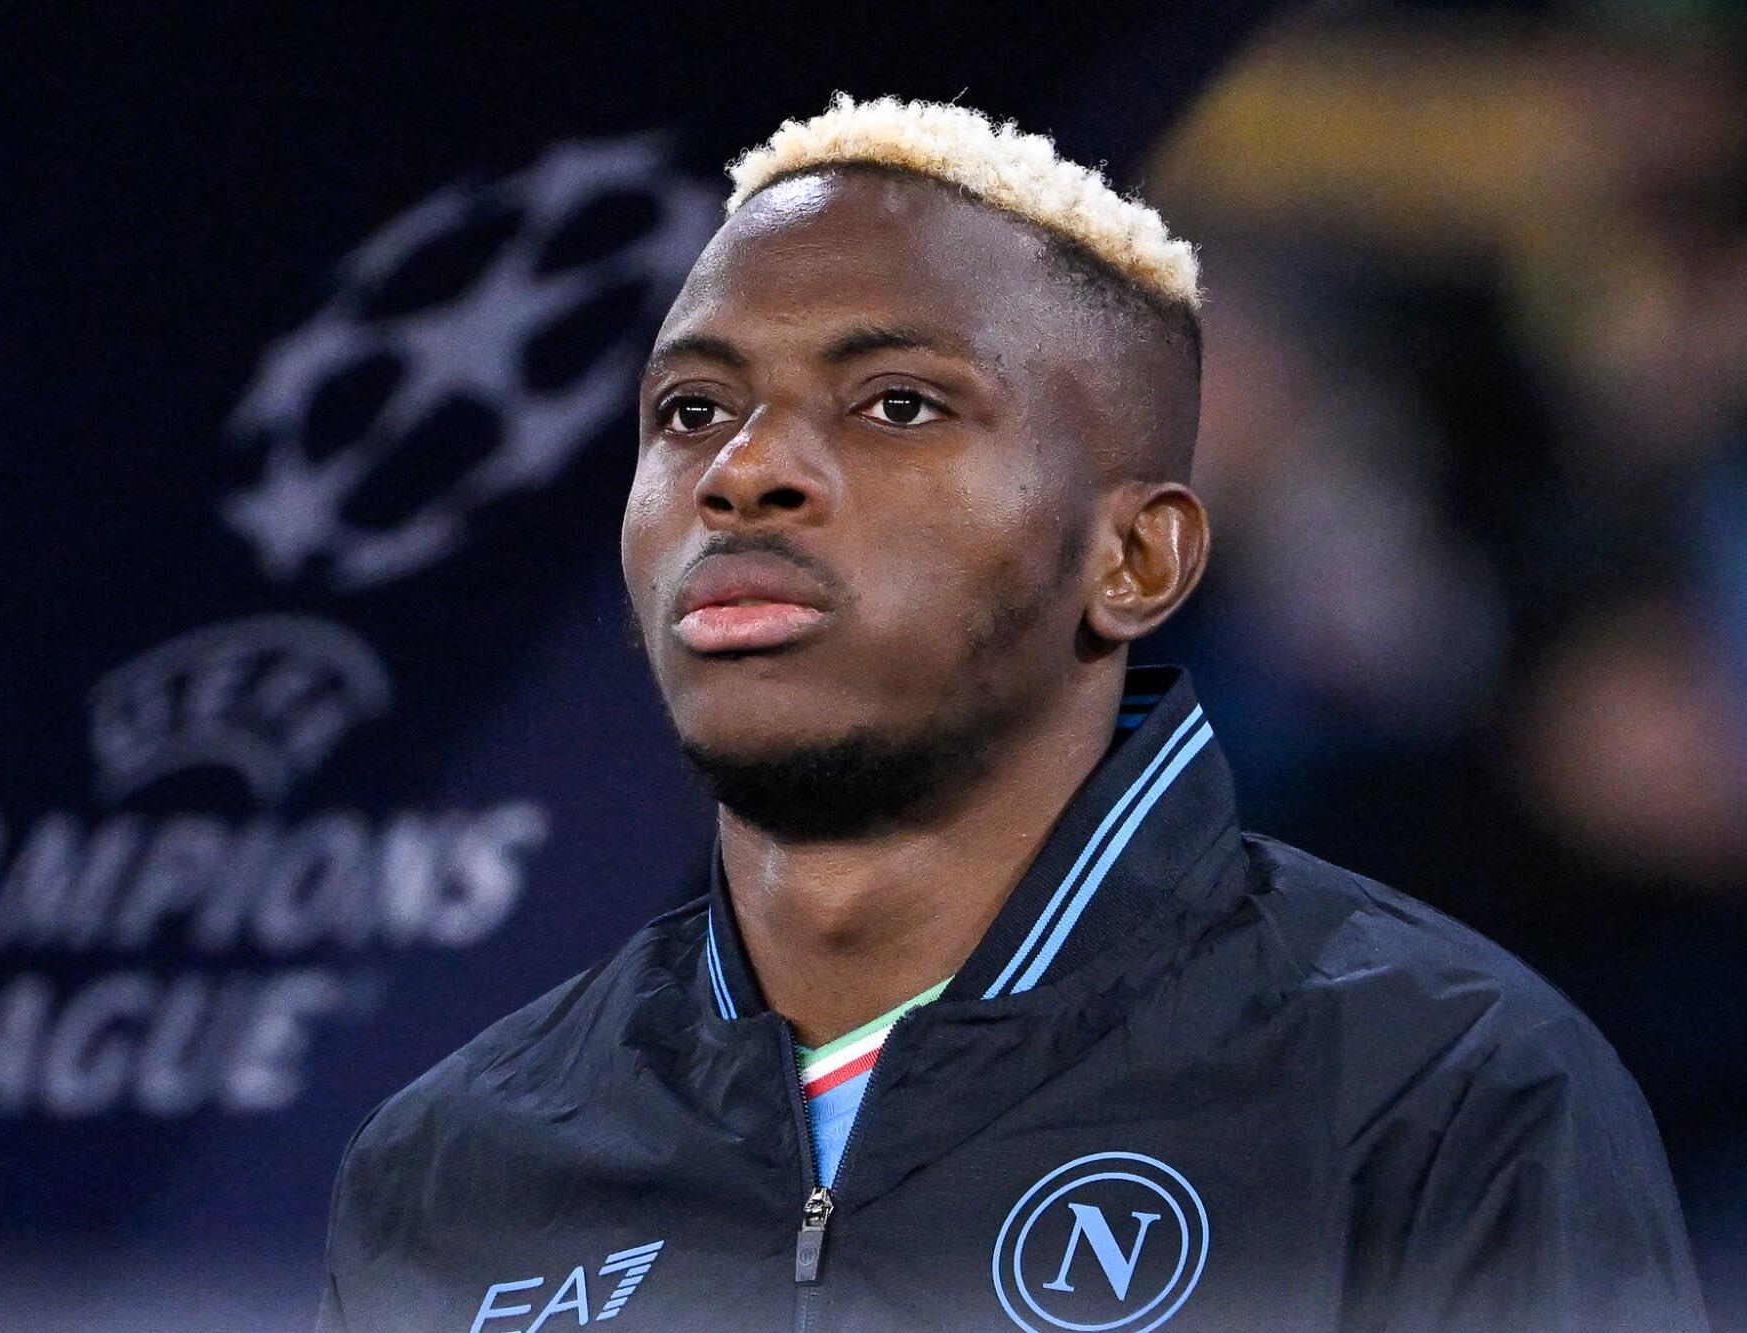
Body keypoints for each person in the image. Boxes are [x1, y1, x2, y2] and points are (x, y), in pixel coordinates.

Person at [313, 96, 1709, 1332]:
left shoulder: (1439, 1090)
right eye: (689, 410)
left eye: (896, 403)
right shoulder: (449, 1164)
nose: (744, 471)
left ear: (1136, 558)